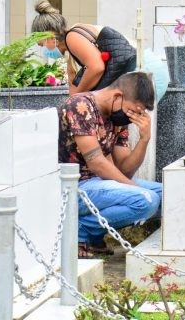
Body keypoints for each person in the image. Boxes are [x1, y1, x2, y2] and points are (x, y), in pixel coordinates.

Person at [57, 71, 161, 257]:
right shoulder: (80, 106)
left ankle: (94, 235)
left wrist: (144, 139)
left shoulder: (117, 117)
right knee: (147, 200)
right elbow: (96, 162)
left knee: (170, 194)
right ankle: (80, 231)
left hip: (101, 185)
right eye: (135, 110)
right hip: (76, 187)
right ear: (117, 96)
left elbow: (125, 169)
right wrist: (138, 191)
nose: (134, 116)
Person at [31, 0, 135, 94]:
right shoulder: (70, 48)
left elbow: (96, 67)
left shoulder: (72, 37)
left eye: (41, 45)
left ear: (50, 37)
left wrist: (78, 95)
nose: (43, 49)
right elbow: (73, 86)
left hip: (136, 73)